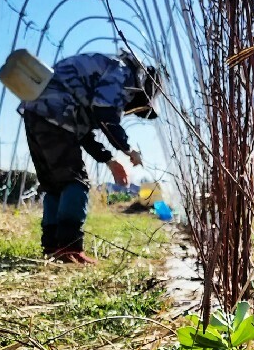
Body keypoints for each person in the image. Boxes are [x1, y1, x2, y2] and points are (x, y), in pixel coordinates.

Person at [18, 52, 160, 263]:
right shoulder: (122, 73)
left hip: (36, 112)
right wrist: (127, 149)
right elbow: (106, 115)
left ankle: (52, 246)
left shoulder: (99, 74)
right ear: (142, 90)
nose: (128, 109)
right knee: (76, 182)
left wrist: (110, 160)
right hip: (57, 113)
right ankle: (69, 247)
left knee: (55, 184)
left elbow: (83, 132)